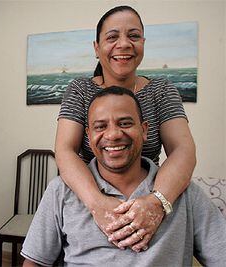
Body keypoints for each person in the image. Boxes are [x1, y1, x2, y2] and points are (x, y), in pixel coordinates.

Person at [22, 87, 225, 266]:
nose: (113, 135)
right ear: (89, 135)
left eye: (125, 123)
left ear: (144, 130)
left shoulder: (186, 194)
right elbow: (35, 262)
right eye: (100, 126)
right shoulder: (61, 191)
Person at [55, 5, 196, 251]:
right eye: (112, 37)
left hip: (149, 192)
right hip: (90, 197)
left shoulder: (161, 91)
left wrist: (155, 203)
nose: (124, 44)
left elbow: (183, 150)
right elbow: (65, 151)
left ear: (143, 42)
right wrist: (98, 204)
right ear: (96, 48)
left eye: (133, 36)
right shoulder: (79, 90)